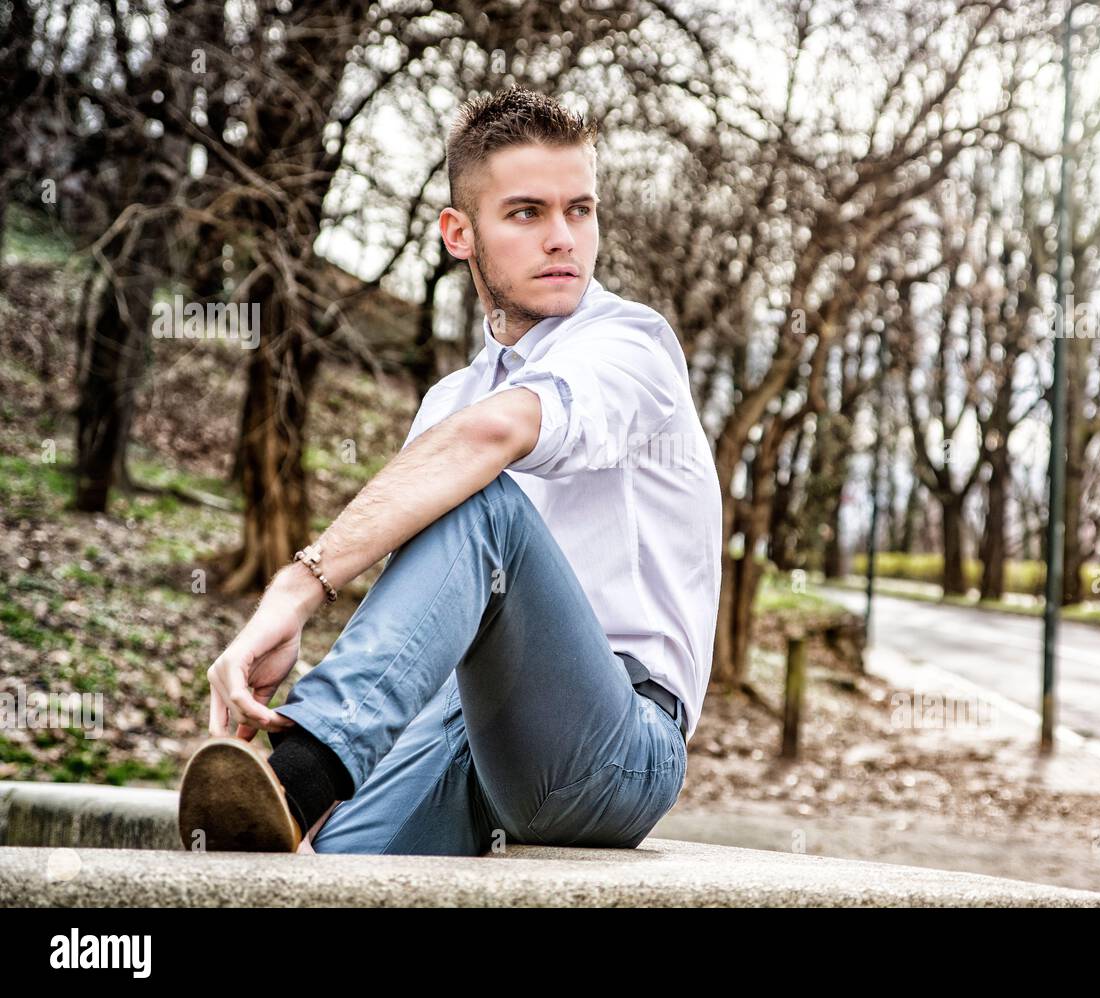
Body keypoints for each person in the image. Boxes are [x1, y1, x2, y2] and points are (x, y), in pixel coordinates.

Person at [177, 87, 723, 856]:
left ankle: (301, 770)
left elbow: (500, 433)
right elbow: (426, 626)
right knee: (313, 875)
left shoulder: (632, 346)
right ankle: (299, 799)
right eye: (528, 213)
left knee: (484, 503)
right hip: (465, 734)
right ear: (459, 233)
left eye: (582, 210)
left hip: (619, 747)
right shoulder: (449, 401)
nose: (563, 239)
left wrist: (297, 589)